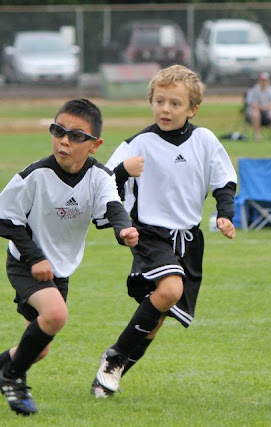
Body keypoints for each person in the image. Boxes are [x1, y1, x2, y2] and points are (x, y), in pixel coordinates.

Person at [0, 99, 139, 415]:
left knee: (37, 349)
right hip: (26, 263)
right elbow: (3, 220)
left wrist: (124, 230)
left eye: (76, 136)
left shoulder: (99, 177)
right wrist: (35, 257)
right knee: (56, 315)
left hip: (57, 269)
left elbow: (113, 207)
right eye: (58, 131)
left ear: (94, 145)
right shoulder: (34, 175)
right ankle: (12, 377)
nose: (65, 141)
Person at [90, 65, 238, 398]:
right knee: (170, 290)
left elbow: (224, 181)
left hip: (188, 239)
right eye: (159, 101)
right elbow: (101, 183)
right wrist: (123, 171)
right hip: (149, 234)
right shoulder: (139, 143)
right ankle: (115, 357)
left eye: (175, 103)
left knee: (156, 319)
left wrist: (224, 214)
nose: (165, 109)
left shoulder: (204, 140)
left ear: (192, 109)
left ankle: (108, 377)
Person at [246, 71, 271, 141]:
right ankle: (257, 135)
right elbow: (253, 104)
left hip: (268, 114)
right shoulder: (253, 90)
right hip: (255, 114)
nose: (263, 82)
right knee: (255, 112)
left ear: (268, 81)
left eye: (265, 80)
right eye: (262, 80)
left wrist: (267, 108)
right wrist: (262, 108)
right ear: (259, 81)